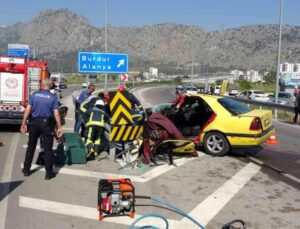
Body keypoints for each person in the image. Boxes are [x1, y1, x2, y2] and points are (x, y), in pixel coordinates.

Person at [20, 79, 63, 180]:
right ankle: (48, 173)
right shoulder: (53, 97)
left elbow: (28, 109)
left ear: (42, 86)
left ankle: (26, 170)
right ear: (50, 85)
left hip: (34, 123)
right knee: (48, 149)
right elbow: (56, 113)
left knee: (31, 147)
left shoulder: (34, 95)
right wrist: (59, 127)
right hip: (46, 124)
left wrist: (23, 123)